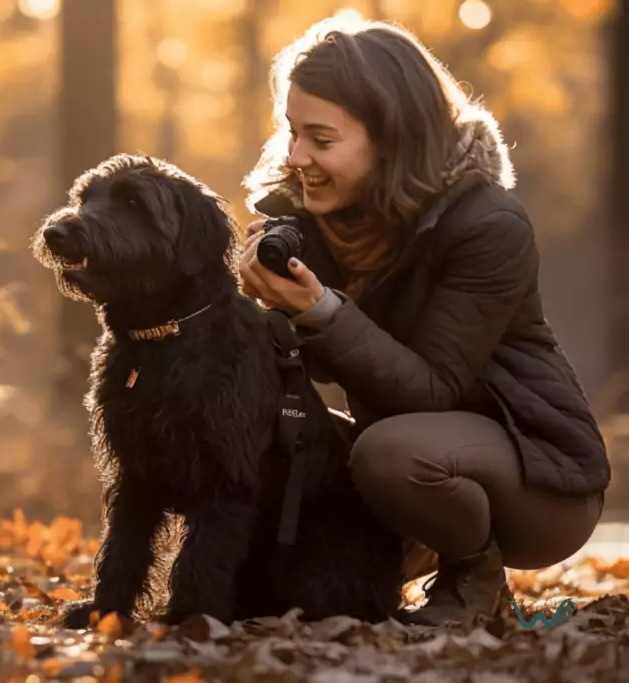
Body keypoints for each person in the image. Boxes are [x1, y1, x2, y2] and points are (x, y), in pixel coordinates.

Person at [237, 15, 610, 626]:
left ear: (392, 139)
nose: (298, 156)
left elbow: (433, 388)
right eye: (292, 132)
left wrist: (321, 311)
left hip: (538, 477)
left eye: (322, 140)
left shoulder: (487, 226)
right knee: (284, 433)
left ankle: (475, 579)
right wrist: (266, 309)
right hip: (419, 455)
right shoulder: (316, 220)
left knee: (390, 452)